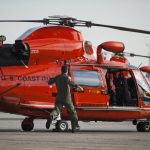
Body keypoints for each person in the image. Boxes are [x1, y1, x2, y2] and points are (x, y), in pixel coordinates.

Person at [46, 65, 83, 133]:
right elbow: (71, 83)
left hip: (59, 97)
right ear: (67, 71)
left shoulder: (57, 77)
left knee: (57, 110)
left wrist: (50, 79)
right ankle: (74, 127)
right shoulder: (66, 77)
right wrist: (78, 86)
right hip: (67, 98)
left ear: (61, 70)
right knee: (72, 112)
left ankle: (51, 116)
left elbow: (49, 82)